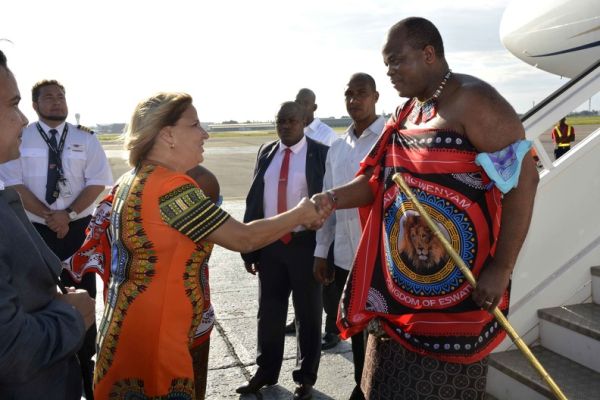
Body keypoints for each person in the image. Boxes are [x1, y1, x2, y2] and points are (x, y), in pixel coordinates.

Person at [312, 17, 539, 399]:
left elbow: (524, 179)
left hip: (456, 303)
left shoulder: (474, 101)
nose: (390, 74)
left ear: (429, 54)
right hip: (399, 301)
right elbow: (377, 182)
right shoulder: (408, 113)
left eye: (396, 62)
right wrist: (330, 199)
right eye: (386, 66)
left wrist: (501, 267)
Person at [93, 93, 324, 400]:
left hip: (130, 327)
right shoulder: (171, 188)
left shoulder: (131, 178)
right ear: (168, 134)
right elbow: (243, 237)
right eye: (195, 124)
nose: (205, 133)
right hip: (158, 335)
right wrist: (300, 213)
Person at [0, 79, 113, 399]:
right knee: (40, 297)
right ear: (34, 105)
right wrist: (51, 215)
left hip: (78, 229)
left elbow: (98, 181)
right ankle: (50, 358)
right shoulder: (20, 137)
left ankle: (84, 361)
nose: (56, 102)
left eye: (61, 96)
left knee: (84, 292)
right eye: (48, 97)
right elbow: (13, 183)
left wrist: (68, 214)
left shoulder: (84, 139)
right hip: (33, 228)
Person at [238, 101, 328, 400]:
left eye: (291, 121)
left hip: (305, 246)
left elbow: (329, 207)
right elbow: (255, 200)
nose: (285, 126)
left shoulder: (319, 153)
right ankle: (265, 371)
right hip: (270, 245)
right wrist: (250, 250)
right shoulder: (267, 152)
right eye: (280, 121)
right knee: (269, 313)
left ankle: (305, 377)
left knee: (309, 315)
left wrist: (323, 251)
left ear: (304, 121)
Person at [313, 72, 385, 400]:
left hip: (383, 260)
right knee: (356, 329)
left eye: (361, 93)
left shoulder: (389, 139)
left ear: (375, 97)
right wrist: (320, 251)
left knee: (385, 334)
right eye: (349, 94)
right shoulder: (338, 148)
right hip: (345, 258)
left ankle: (379, 389)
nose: (354, 100)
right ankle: (362, 387)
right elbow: (329, 202)